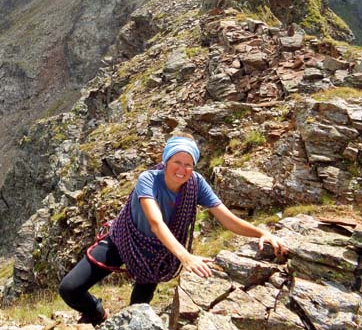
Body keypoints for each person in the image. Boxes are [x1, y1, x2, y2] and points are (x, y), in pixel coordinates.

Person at [58, 135, 287, 326]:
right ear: (166, 161)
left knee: (138, 312)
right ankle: (98, 313)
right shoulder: (148, 179)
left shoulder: (196, 184)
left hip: (155, 255)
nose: (182, 169)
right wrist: (185, 257)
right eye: (177, 162)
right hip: (123, 239)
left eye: (188, 164)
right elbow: (156, 222)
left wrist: (261, 233)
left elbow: (226, 218)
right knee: (70, 288)